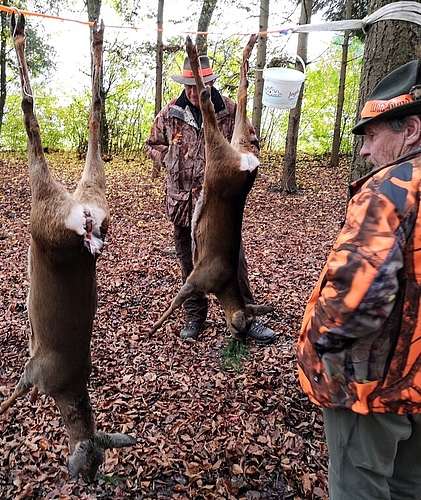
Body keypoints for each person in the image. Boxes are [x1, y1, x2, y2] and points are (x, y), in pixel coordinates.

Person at [298, 58, 421, 500]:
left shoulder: (391, 188)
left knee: (360, 486)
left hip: (372, 387)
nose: (365, 151)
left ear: (410, 130)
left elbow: (358, 297)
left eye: (372, 135)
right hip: (416, 379)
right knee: (410, 485)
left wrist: (321, 346)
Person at [145, 55, 276, 344]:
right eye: (188, 86)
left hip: (219, 208)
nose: (192, 92)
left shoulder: (230, 110)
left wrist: (244, 163)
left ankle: (245, 316)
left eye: (198, 85)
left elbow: (251, 144)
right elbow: (152, 144)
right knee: (188, 264)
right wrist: (168, 159)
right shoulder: (171, 113)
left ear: (210, 82)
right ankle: (195, 316)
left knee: (233, 262)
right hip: (183, 204)